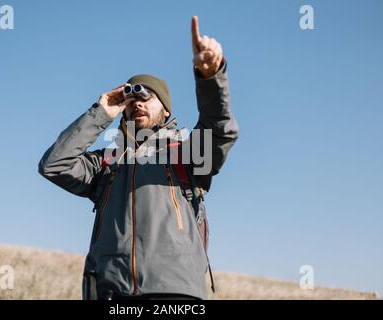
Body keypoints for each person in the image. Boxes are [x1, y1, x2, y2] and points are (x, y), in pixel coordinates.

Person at [38, 16, 239, 300]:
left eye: (148, 97)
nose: (138, 103)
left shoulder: (185, 154)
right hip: (112, 292)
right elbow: (54, 165)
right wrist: (101, 112)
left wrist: (210, 77)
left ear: (166, 111)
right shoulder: (107, 163)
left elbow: (220, 130)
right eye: (131, 100)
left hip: (174, 293)